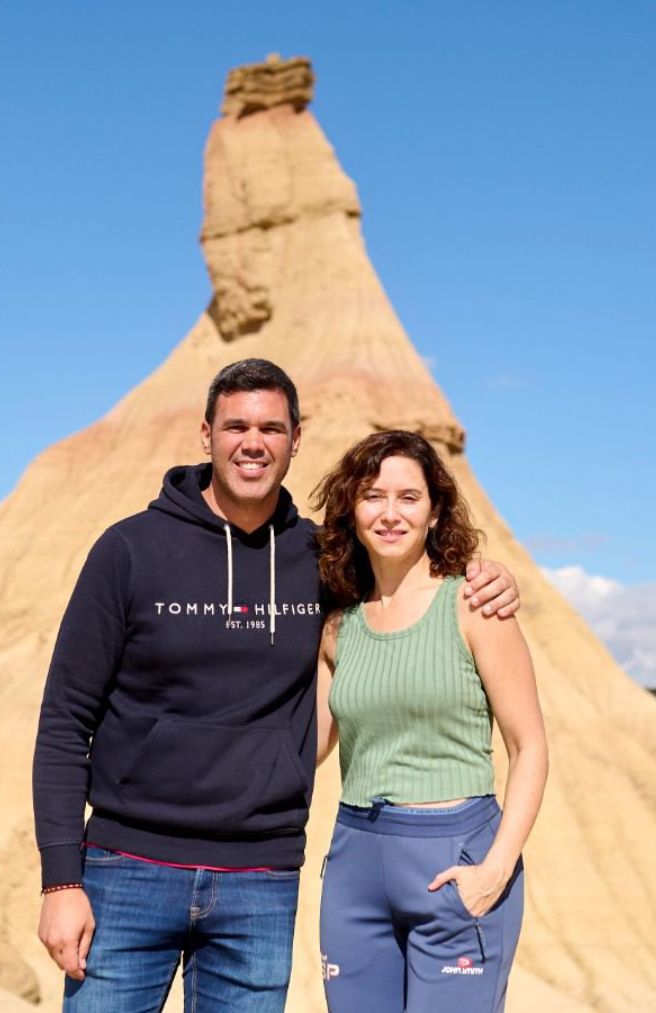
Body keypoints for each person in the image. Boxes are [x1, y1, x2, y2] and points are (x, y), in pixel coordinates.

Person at [32, 359, 523, 1013]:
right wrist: (62, 876)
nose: (252, 441)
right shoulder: (129, 551)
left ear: (296, 438)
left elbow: (406, 584)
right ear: (205, 433)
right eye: (236, 425)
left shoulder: (321, 560)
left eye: (271, 426)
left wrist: (490, 578)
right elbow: (66, 719)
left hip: (259, 881)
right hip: (127, 871)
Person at [310, 429, 548, 1013]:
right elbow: (304, 748)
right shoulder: (339, 627)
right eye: (372, 496)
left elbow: (530, 746)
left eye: (408, 497)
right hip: (354, 867)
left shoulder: (475, 606)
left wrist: (496, 869)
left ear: (435, 511)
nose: (390, 513)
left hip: (457, 860)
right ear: (352, 510)